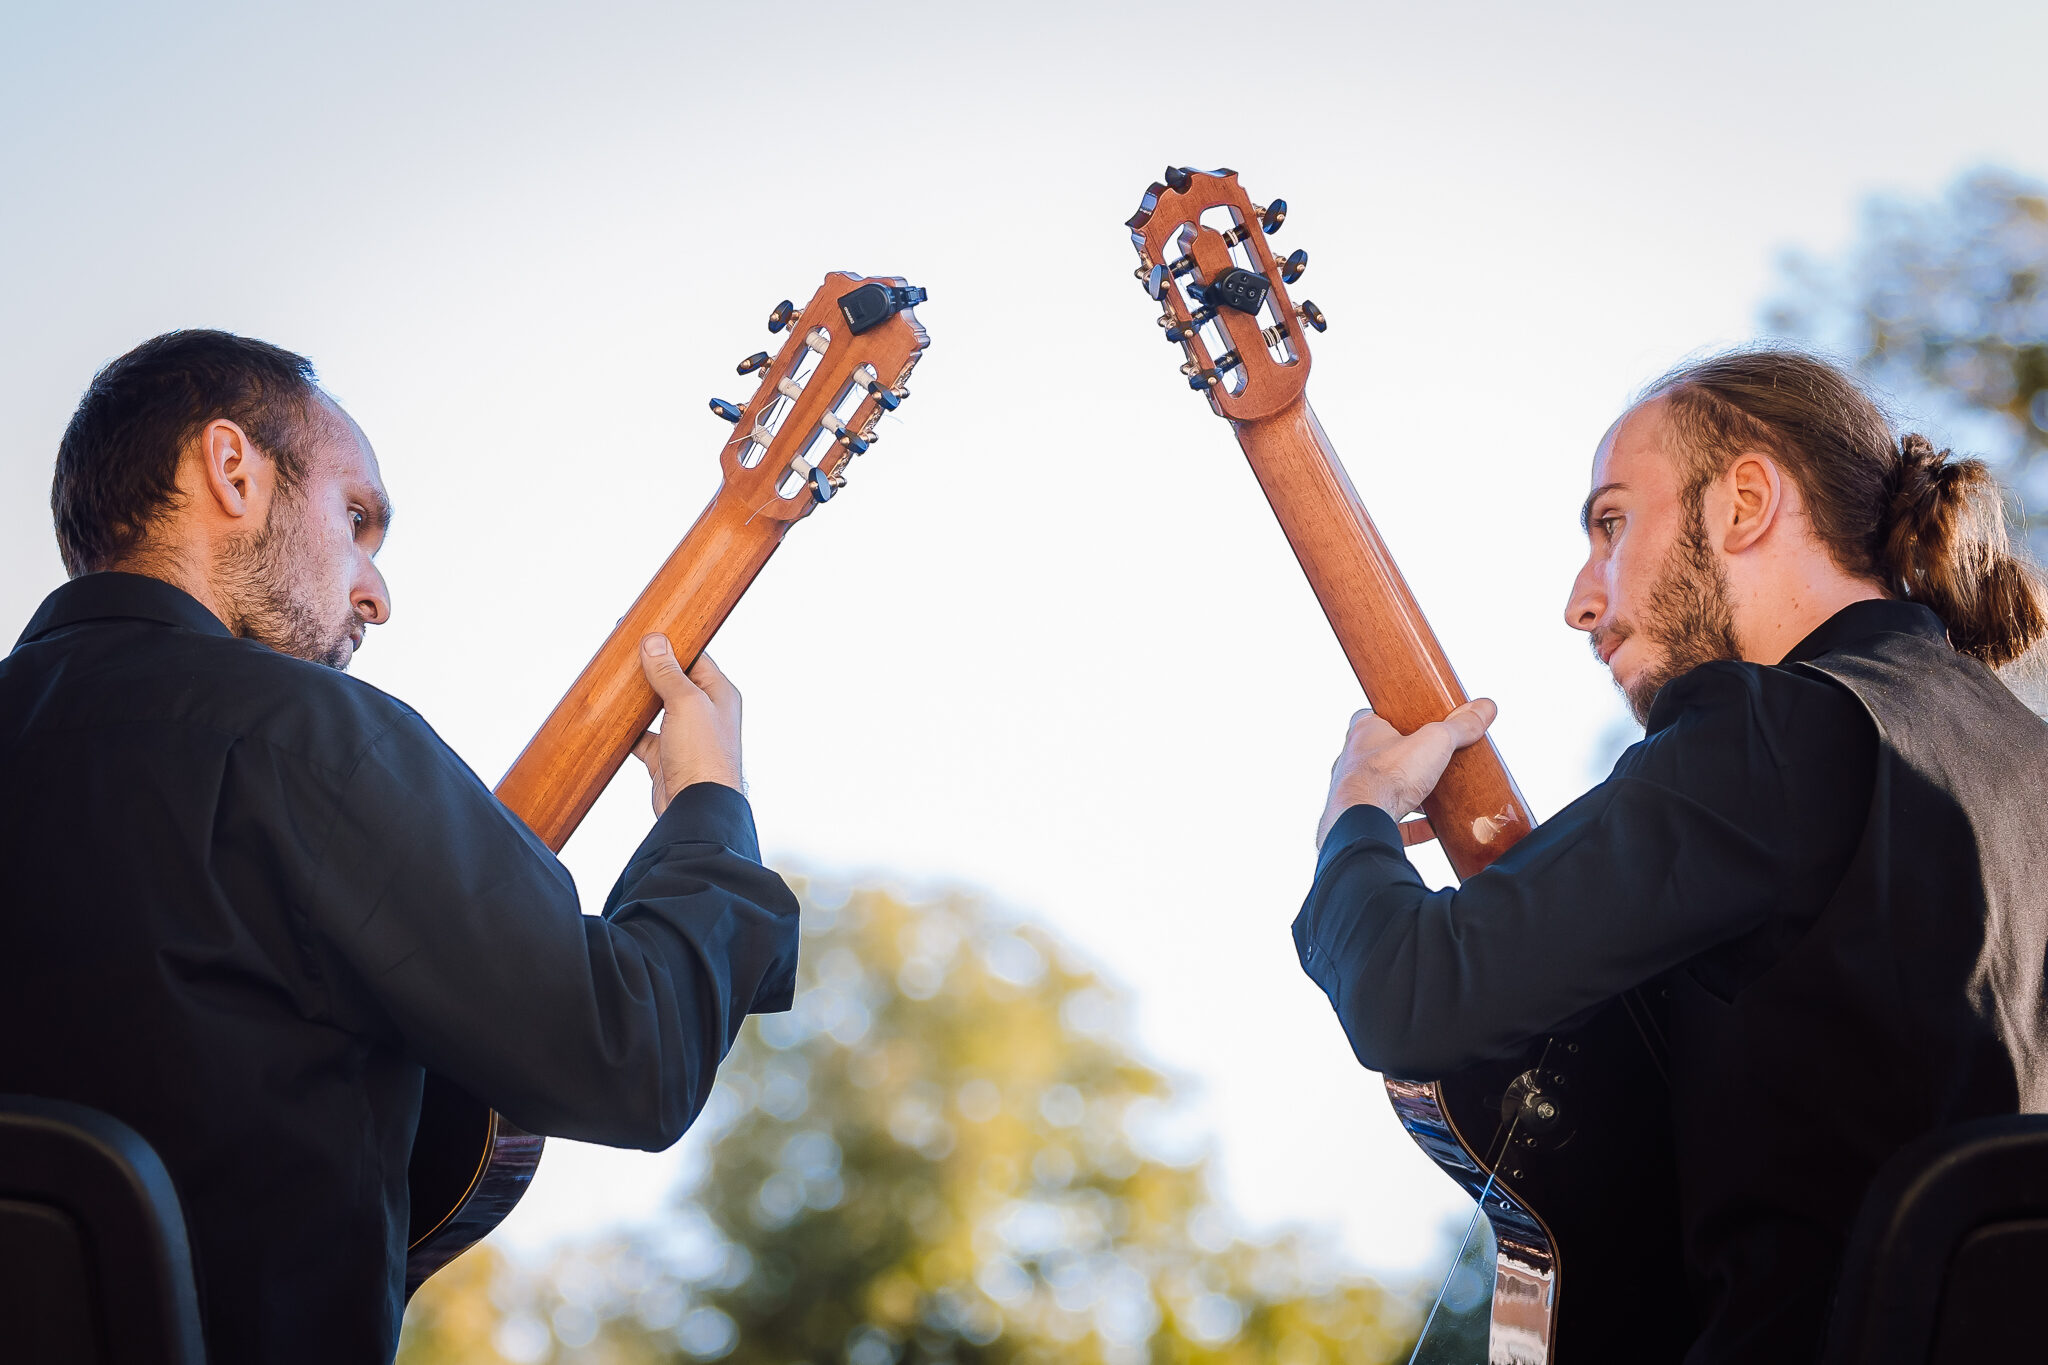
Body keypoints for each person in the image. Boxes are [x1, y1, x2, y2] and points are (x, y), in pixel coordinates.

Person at [0, 330, 801, 1365]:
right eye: (357, 520)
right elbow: (629, 1054)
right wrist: (707, 801)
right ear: (232, 471)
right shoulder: (310, 737)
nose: (376, 593)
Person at [1293, 347, 2048, 1364]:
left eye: (1611, 524)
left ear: (1742, 501)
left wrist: (1358, 815)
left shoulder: (1774, 729)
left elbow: (1407, 993)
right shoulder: (2027, 762)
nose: (1580, 598)